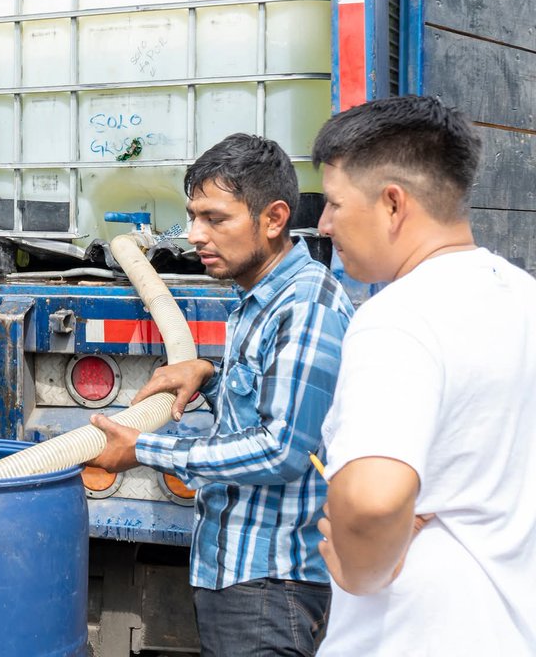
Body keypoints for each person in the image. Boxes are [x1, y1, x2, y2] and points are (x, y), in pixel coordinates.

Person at [90, 134, 353, 656]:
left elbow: (281, 450)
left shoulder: (306, 306)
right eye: (193, 216)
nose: (194, 235)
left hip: (270, 583)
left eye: (215, 219)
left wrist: (142, 449)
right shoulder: (259, 298)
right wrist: (210, 377)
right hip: (237, 573)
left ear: (274, 219)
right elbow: (264, 406)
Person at [310, 96, 536, 655]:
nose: (324, 224)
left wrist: (359, 570)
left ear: (393, 203)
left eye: (335, 203)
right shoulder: (523, 297)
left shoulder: (398, 318)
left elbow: (372, 500)